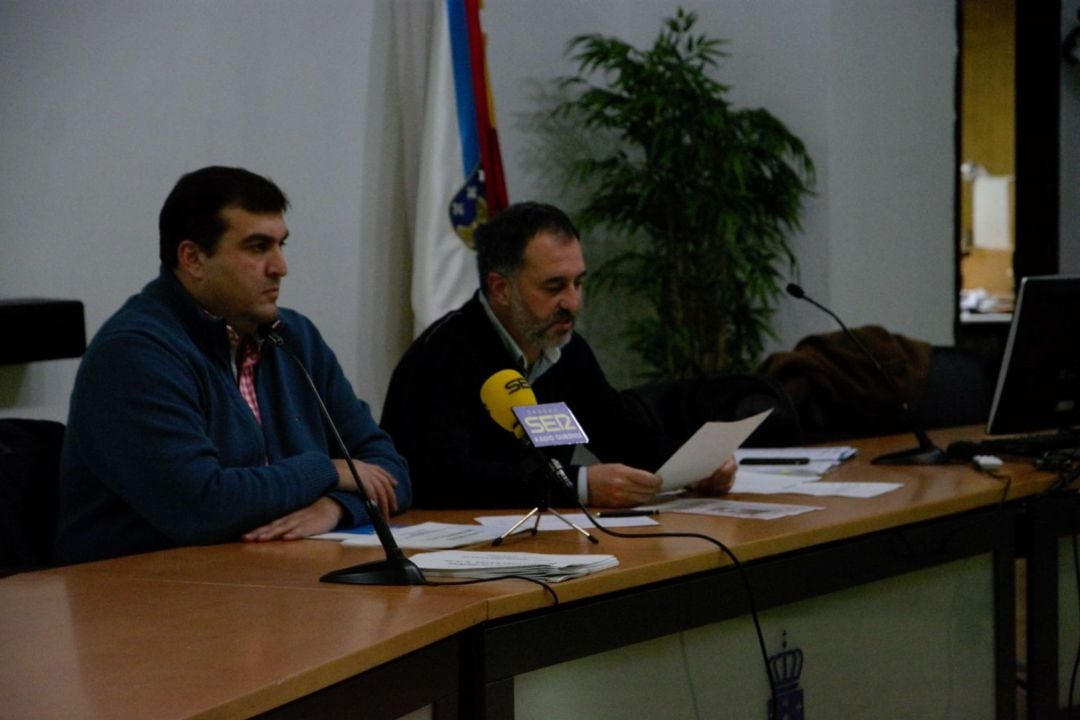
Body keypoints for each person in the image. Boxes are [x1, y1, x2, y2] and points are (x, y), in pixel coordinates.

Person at [54, 166, 409, 564]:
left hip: (268, 579)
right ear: (192, 258)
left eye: (281, 245)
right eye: (258, 247)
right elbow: (202, 507)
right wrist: (324, 471)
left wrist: (335, 509)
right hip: (143, 595)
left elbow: (389, 470)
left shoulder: (294, 337)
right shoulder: (135, 354)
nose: (280, 267)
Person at [381, 201, 735, 509]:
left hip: (549, 537)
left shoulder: (566, 350)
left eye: (578, 283)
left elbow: (619, 431)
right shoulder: (442, 356)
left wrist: (693, 466)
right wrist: (578, 486)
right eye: (554, 287)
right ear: (501, 288)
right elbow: (442, 479)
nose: (573, 302)